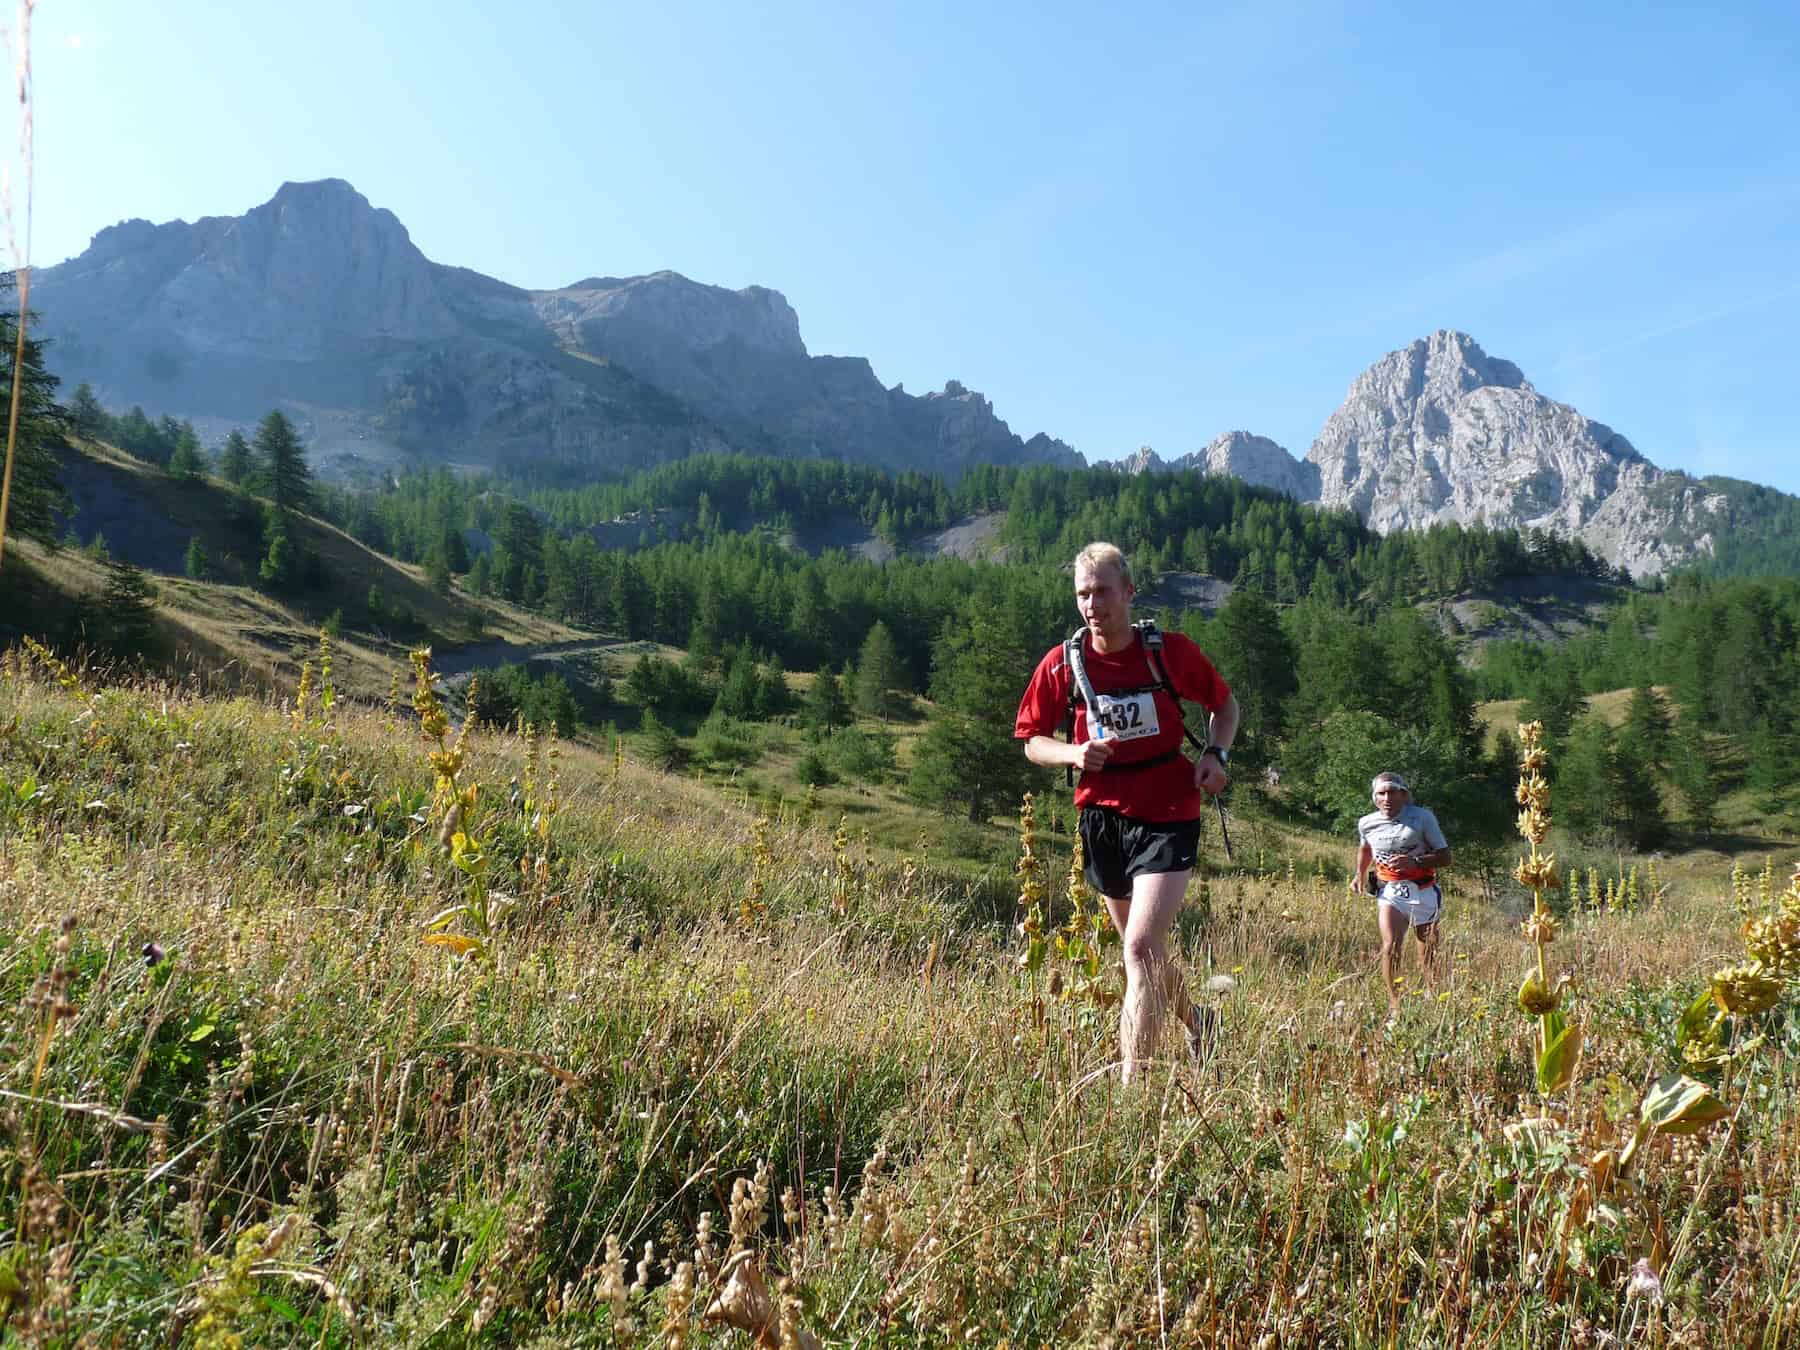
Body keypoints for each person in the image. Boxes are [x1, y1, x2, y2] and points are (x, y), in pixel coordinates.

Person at [1015, 542, 1239, 1083]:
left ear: (1129, 592)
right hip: (1103, 818)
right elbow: (1031, 741)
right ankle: (1200, 1022)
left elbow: (1224, 705)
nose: (1092, 604)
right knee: (1146, 953)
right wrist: (1072, 753)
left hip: (1168, 809)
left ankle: (1133, 1089)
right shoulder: (1063, 663)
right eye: (1082, 594)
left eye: (1103, 591)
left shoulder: (1168, 652)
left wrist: (1215, 754)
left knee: (1138, 947)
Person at [1354, 771, 1452, 1019]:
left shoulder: (1422, 817)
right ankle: (1396, 1006)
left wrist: (1415, 861)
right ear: (1375, 797)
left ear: (1403, 794)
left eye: (1392, 792)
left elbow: (1445, 857)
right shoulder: (1367, 823)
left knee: (1428, 953)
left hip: (1423, 890)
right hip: (1391, 892)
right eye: (1381, 793)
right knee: (1390, 946)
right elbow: (1365, 849)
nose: (1387, 798)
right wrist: (1359, 874)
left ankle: (1433, 998)